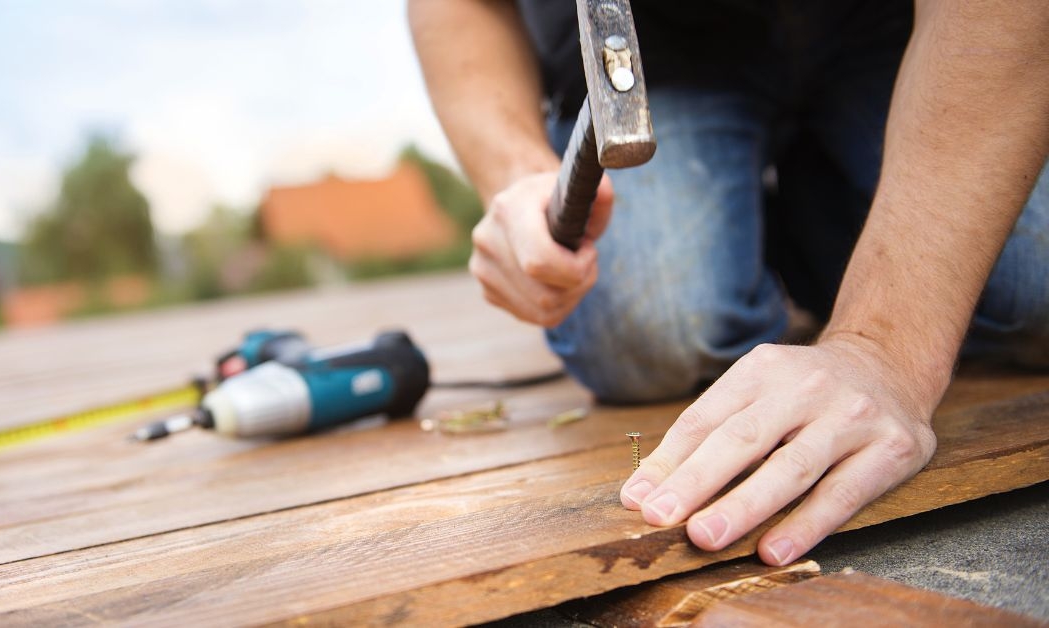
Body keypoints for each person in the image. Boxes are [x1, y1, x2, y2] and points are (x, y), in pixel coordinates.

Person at [409, 0, 1049, 566]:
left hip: (898, 27)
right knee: (653, 333)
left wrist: (885, 347)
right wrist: (518, 174)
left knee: (1036, 291)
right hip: (670, 44)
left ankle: (812, 211)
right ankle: (781, 226)